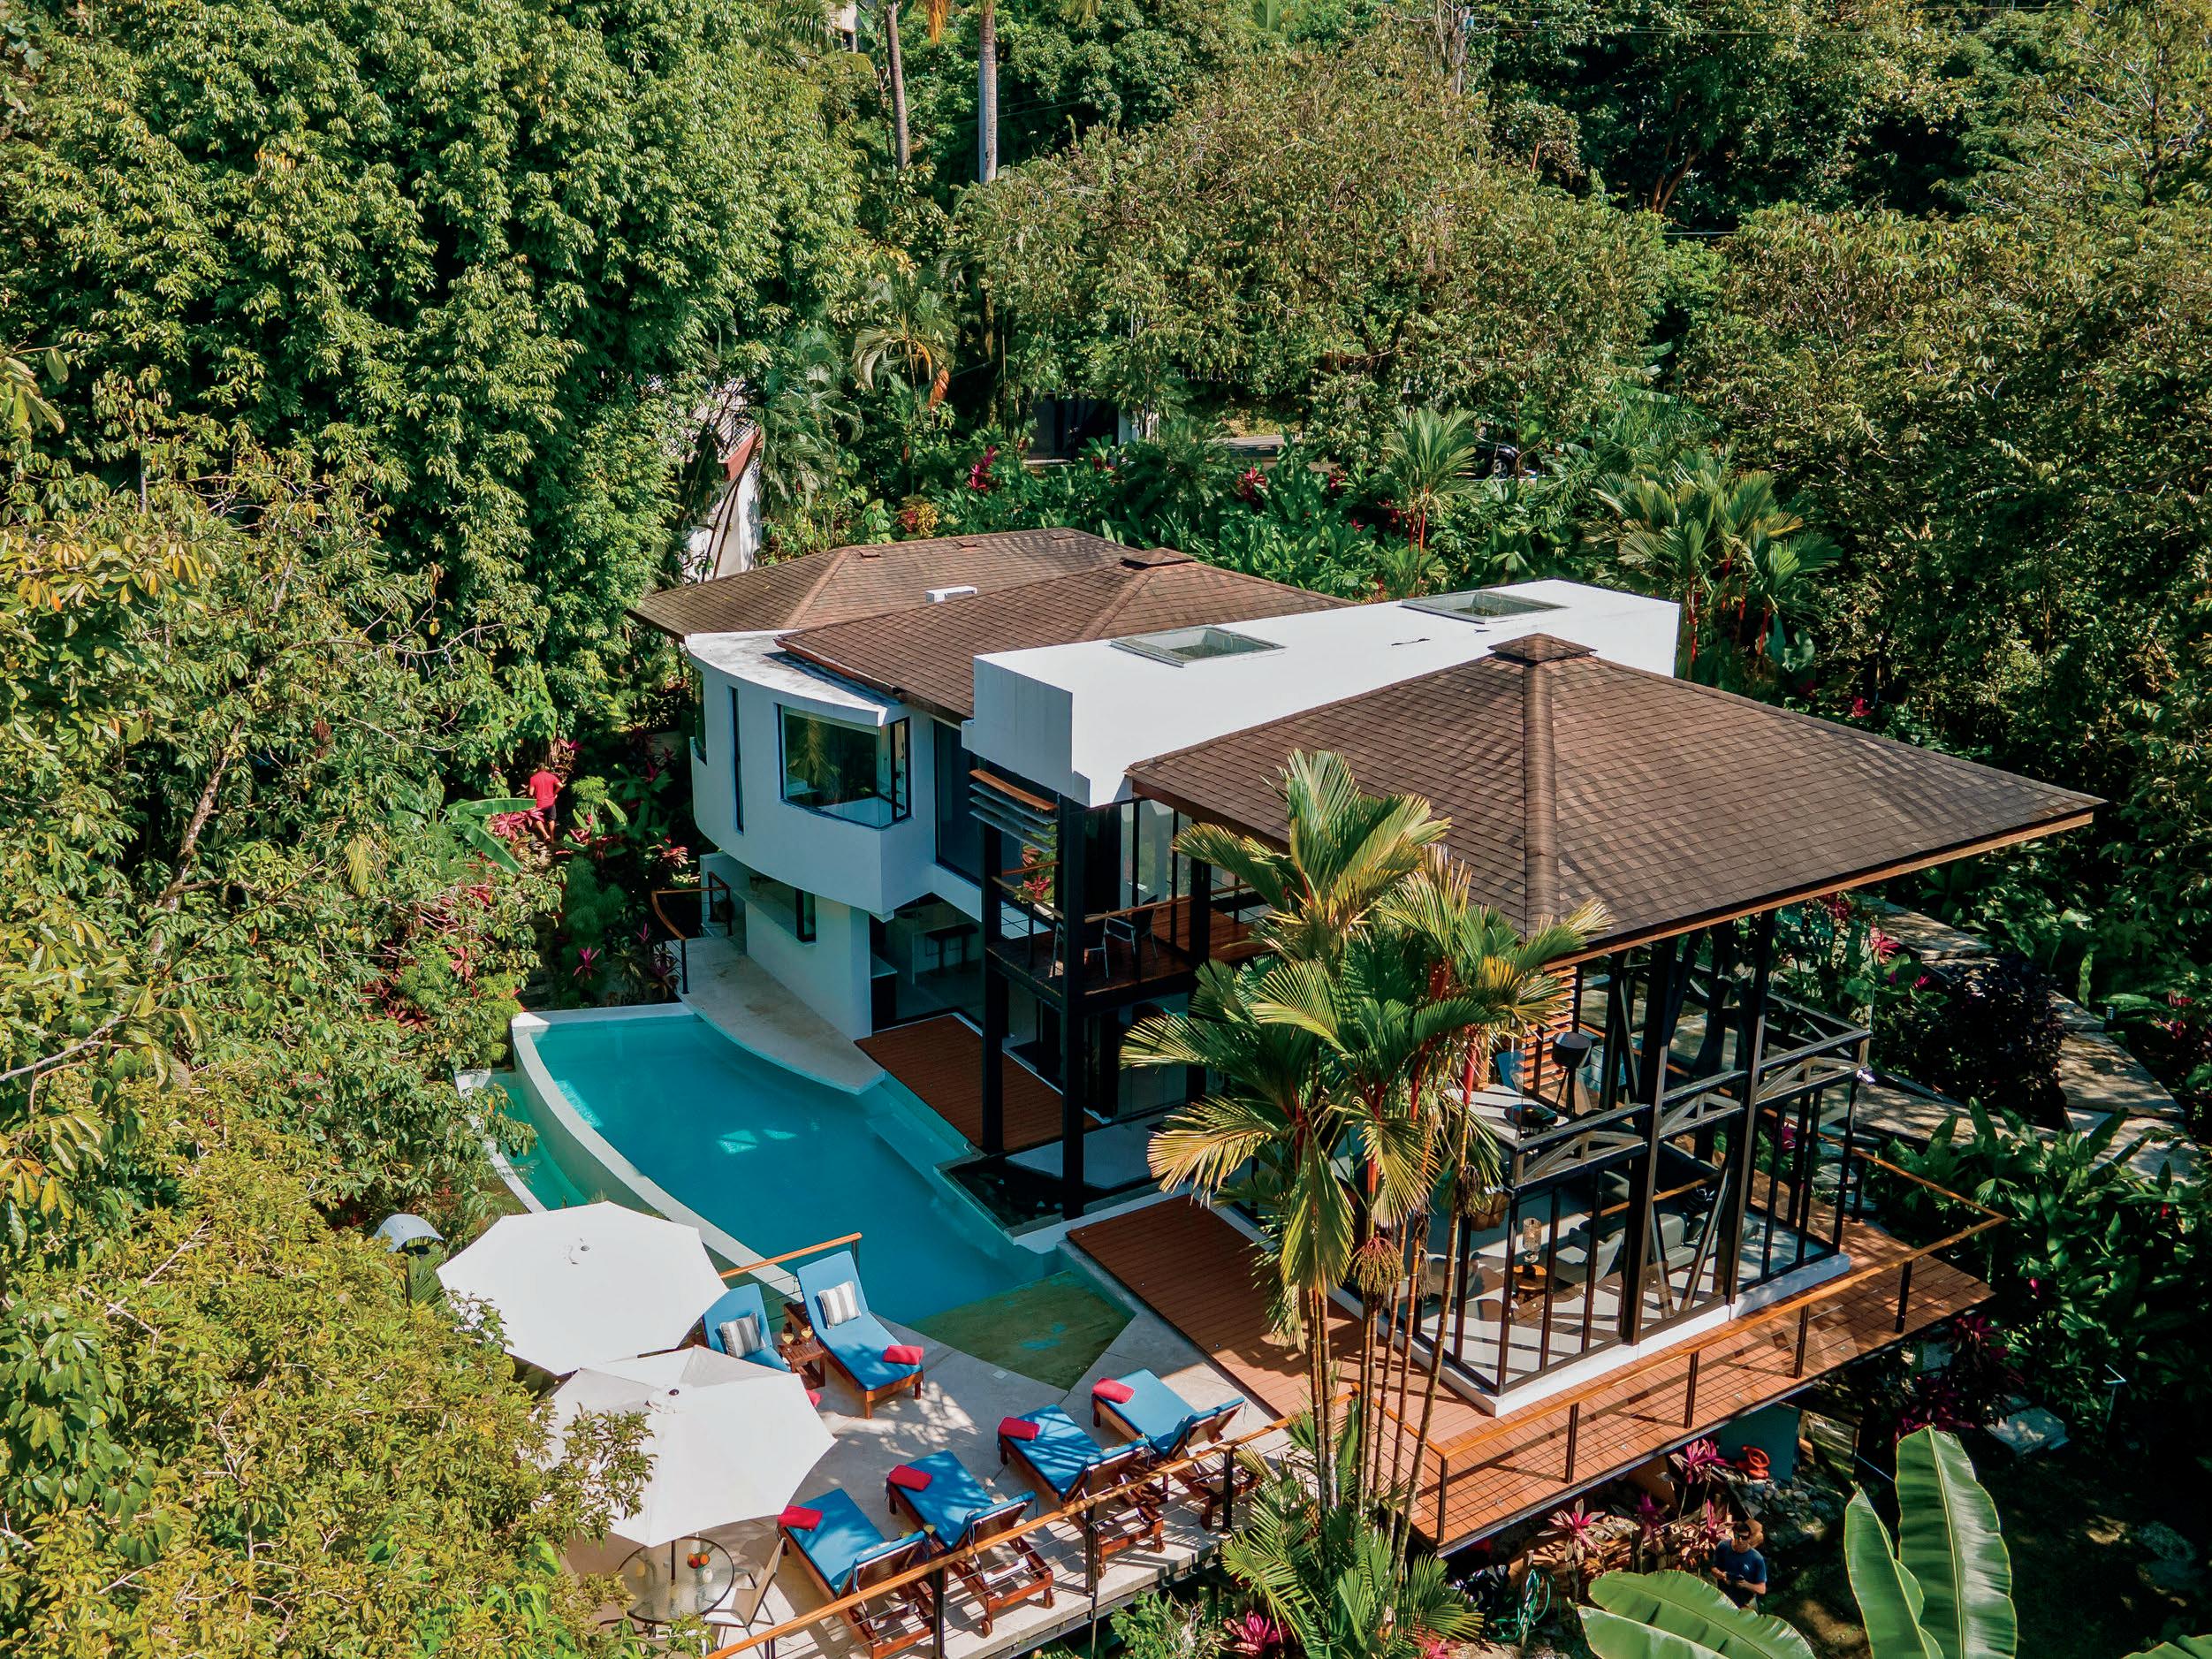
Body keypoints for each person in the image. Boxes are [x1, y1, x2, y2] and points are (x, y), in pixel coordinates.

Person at [1711, 1517, 1769, 1606]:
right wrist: (1722, 1575)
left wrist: (1746, 1585)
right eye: (1738, 1536)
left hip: (1744, 1602)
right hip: (1721, 1594)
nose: (1740, 1540)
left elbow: (1762, 1589)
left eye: (1744, 1537)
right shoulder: (1724, 1546)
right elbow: (1714, 1568)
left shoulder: (1757, 1559)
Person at [524, 758, 563, 843]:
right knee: (551, 820)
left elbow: (531, 793)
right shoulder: (551, 776)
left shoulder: (533, 778)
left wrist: (529, 799)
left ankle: (545, 834)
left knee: (537, 819)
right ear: (545, 769)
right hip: (550, 802)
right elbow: (560, 785)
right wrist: (554, 793)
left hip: (539, 803)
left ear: (537, 769)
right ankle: (552, 839)